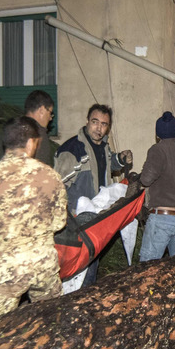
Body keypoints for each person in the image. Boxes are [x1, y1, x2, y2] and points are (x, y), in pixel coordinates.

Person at [0, 117, 68, 325]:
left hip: (6, 269)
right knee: (51, 323)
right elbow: (59, 222)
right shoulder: (52, 177)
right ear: (31, 143)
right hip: (44, 266)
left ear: (5, 143)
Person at [54, 104, 133, 285]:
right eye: (95, 122)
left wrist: (119, 159)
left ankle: (84, 305)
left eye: (104, 124)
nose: (99, 128)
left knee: (91, 267)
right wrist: (68, 215)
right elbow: (56, 187)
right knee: (75, 274)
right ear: (87, 121)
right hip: (76, 222)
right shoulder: (72, 150)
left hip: (95, 220)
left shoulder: (103, 147)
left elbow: (104, 166)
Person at [138, 111, 175, 262]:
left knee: (147, 269)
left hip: (162, 219)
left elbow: (146, 179)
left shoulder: (158, 150)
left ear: (157, 135)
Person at [0, 90, 56, 167]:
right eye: (50, 113)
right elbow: (40, 170)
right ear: (42, 110)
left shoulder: (10, 128)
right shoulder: (38, 133)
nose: (50, 118)